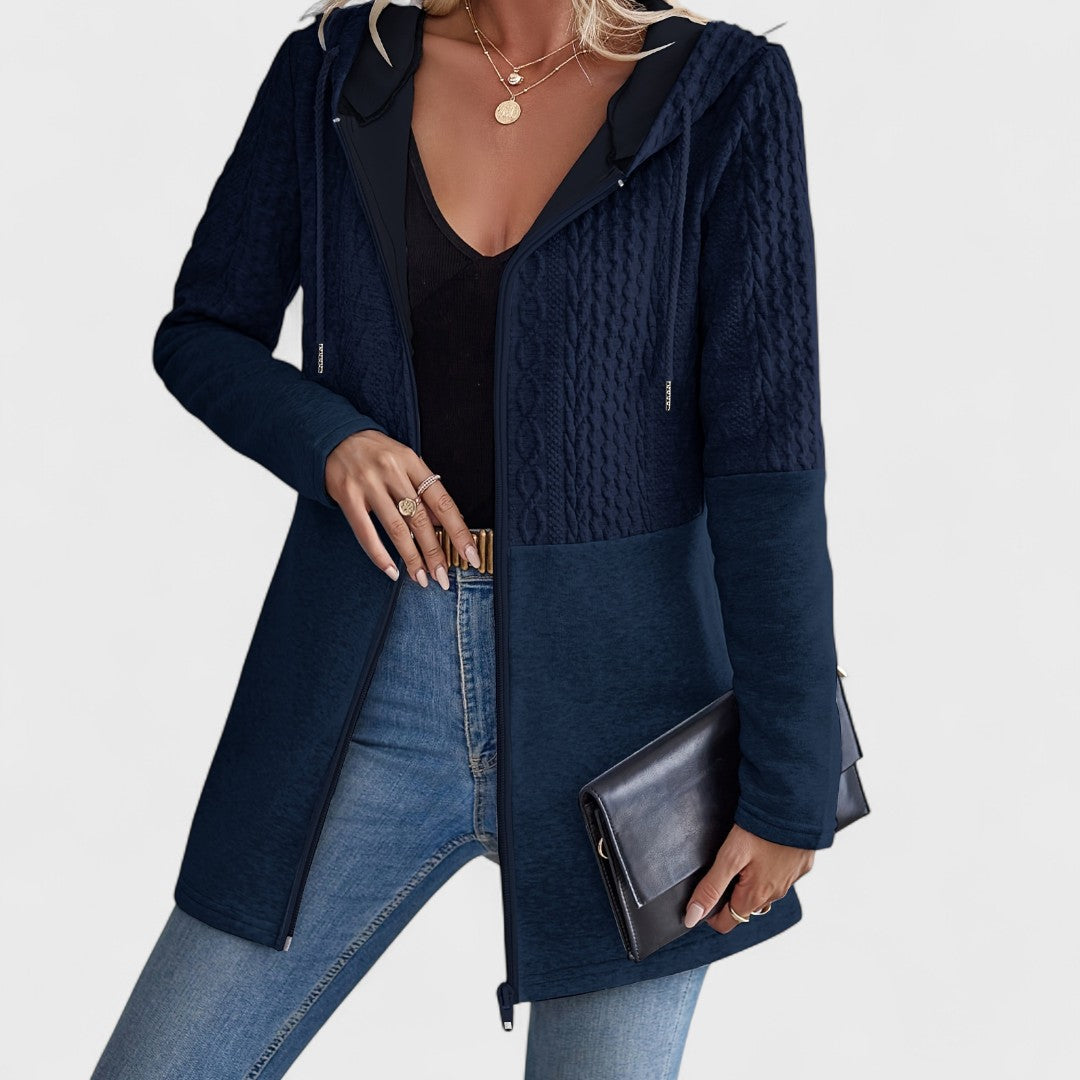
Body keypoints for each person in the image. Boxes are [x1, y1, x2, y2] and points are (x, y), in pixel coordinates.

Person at [90, 0, 842, 1076]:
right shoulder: (333, 71)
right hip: (363, 684)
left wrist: (791, 786)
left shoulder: (721, 93)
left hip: (633, 724)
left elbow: (769, 465)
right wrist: (328, 438)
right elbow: (203, 331)